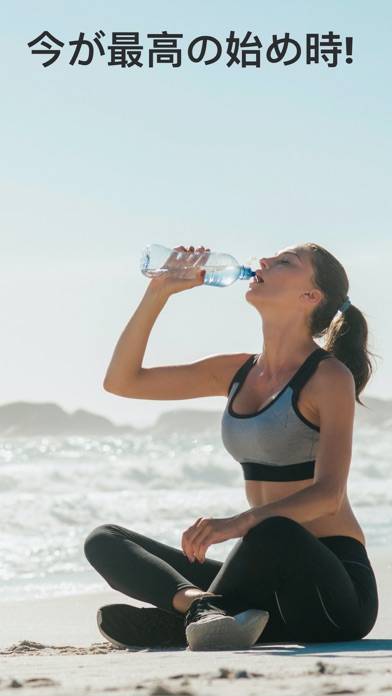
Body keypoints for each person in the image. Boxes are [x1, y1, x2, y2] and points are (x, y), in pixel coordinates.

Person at [84, 243, 379, 651]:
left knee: (273, 531)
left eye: (284, 263)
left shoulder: (329, 377)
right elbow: (122, 381)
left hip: (332, 593)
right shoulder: (237, 371)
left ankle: (185, 623)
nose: (264, 262)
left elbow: (329, 495)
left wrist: (238, 523)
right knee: (105, 539)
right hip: (262, 577)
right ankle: (200, 609)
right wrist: (159, 293)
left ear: (310, 297)